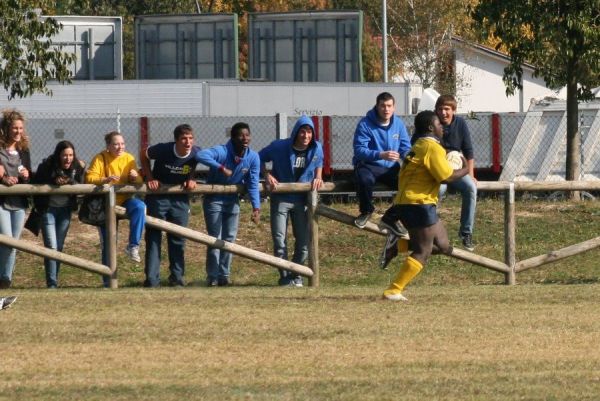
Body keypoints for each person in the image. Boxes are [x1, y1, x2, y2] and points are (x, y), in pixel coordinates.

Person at [382, 110, 469, 301]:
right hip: (418, 203)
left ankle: (399, 245)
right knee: (423, 251)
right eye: (439, 124)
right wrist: (465, 169)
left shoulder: (419, 145)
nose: (442, 128)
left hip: (413, 203)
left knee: (443, 246)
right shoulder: (431, 147)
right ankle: (393, 290)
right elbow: (446, 176)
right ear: (431, 127)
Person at [259, 115, 324, 287]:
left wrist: (318, 176)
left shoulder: (317, 148)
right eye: (302, 131)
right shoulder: (279, 146)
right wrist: (266, 175)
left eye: (309, 132)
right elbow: (258, 158)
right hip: (281, 198)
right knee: (280, 240)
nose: (306, 136)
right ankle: (285, 277)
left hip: (303, 201)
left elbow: (320, 162)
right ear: (296, 132)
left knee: (303, 241)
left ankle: (297, 274)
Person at [196, 122, 260, 287]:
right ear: (233, 137)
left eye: (247, 135)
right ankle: (212, 277)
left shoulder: (253, 157)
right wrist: (220, 167)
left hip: (232, 200)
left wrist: (256, 207)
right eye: (241, 135)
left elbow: (252, 183)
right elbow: (201, 155)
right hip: (214, 199)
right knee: (214, 239)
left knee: (229, 239)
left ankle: (224, 276)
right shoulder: (222, 151)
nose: (245, 138)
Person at [140, 124, 200, 288]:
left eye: (190, 138)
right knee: (153, 237)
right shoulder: (163, 150)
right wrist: (149, 177)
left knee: (178, 238)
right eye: (183, 139)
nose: (188, 142)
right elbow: (143, 154)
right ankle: (152, 280)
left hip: (180, 198)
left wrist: (192, 178)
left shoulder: (196, 153)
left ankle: (177, 278)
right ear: (176, 140)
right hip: (158, 196)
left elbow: (197, 164)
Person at [86, 131, 145, 287]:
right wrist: (105, 179)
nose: (120, 147)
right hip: (106, 205)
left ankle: (133, 246)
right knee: (109, 243)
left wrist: (134, 177)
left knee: (140, 207)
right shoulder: (100, 158)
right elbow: (89, 177)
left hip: (125, 201)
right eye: (116, 144)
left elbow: (139, 180)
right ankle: (108, 281)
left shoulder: (129, 158)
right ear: (108, 146)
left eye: (122, 143)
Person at [352, 92, 411, 231]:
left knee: (408, 185)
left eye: (389, 106)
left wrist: (410, 158)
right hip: (368, 165)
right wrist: (381, 154)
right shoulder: (365, 124)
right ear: (377, 106)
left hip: (390, 167)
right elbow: (359, 150)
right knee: (364, 180)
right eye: (383, 106)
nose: (386, 109)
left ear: (394, 107)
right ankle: (366, 211)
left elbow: (405, 148)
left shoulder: (398, 124)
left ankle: (391, 217)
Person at [31, 141, 86, 288]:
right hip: (47, 210)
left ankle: (54, 279)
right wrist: (54, 180)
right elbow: (37, 181)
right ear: (58, 155)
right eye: (64, 155)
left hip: (65, 211)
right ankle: (52, 283)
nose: (68, 159)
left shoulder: (77, 166)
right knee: (51, 246)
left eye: (70, 155)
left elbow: (81, 184)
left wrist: (69, 180)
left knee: (59, 246)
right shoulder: (47, 165)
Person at [435, 94, 477, 251]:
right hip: (438, 169)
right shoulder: (432, 123)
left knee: (471, 188)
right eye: (440, 109)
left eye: (447, 109)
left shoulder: (460, 123)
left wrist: (471, 175)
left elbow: (468, 150)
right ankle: (430, 231)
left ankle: (466, 233)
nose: (443, 113)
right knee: (439, 189)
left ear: (453, 110)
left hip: (457, 168)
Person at [0, 109, 31, 289]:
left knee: (14, 244)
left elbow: (27, 175)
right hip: (2, 202)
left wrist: (26, 175)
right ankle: (4, 279)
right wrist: (4, 179)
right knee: (7, 240)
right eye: (14, 128)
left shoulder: (23, 150)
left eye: (21, 128)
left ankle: (6, 279)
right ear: (6, 129)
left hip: (19, 203)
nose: (18, 132)